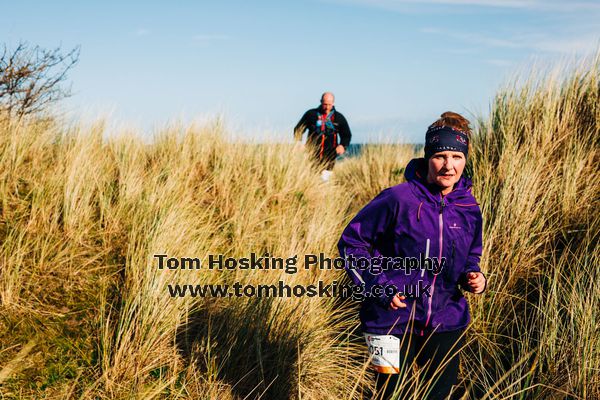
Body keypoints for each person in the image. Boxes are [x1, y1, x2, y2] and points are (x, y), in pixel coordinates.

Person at [337, 112, 487, 400]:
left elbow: (472, 255)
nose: (448, 165)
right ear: (427, 157)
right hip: (389, 319)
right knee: (390, 395)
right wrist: (377, 285)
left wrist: (474, 275)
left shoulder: (469, 207)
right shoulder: (398, 198)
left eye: (456, 156)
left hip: (446, 319)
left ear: (465, 159)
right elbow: (351, 242)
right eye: (440, 156)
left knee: (438, 395)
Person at [294, 92, 352, 181]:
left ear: (333, 103)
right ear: (321, 102)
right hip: (312, 153)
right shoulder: (310, 114)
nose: (327, 107)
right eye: (325, 104)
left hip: (330, 155)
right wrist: (298, 142)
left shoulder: (339, 118)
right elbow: (298, 129)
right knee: (312, 179)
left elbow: (346, 135)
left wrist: (342, 145)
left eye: (329, 104)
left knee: (325, 181)